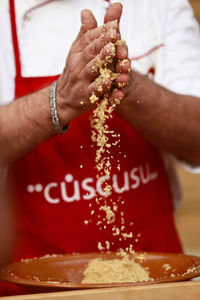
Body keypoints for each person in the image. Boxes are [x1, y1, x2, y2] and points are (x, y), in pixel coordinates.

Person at [0, 0, 200, 295]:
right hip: (32, 285)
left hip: (156, 282)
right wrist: (59, 100)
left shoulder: (158, 4)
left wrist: (126, 86)